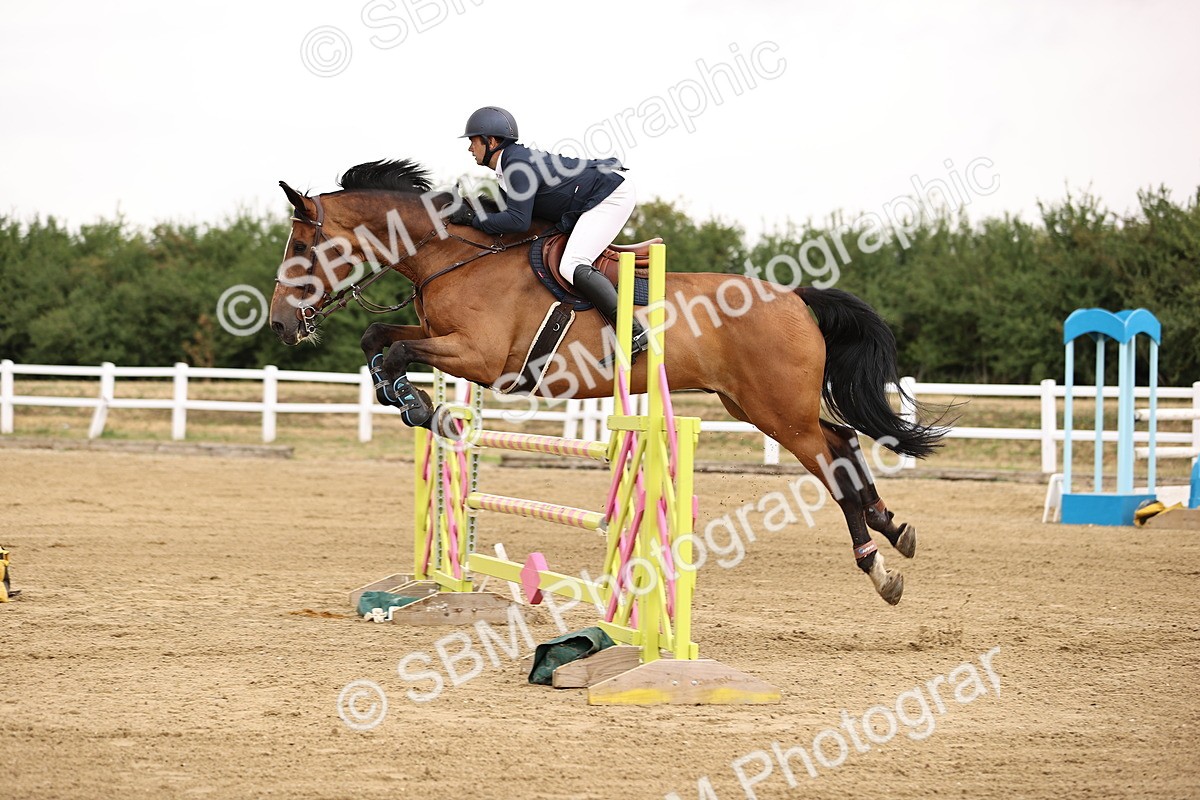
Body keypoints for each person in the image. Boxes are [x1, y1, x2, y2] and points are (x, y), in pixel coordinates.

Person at [448, 106, 648, 357]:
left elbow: (518, 221)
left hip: (611, 195)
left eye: (473, 141)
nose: (470, 148)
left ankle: (634, 332)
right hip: (593, 194)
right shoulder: (508, 165)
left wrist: (474, 220)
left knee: (572, 264)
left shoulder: (516, 166)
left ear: (491, 141)